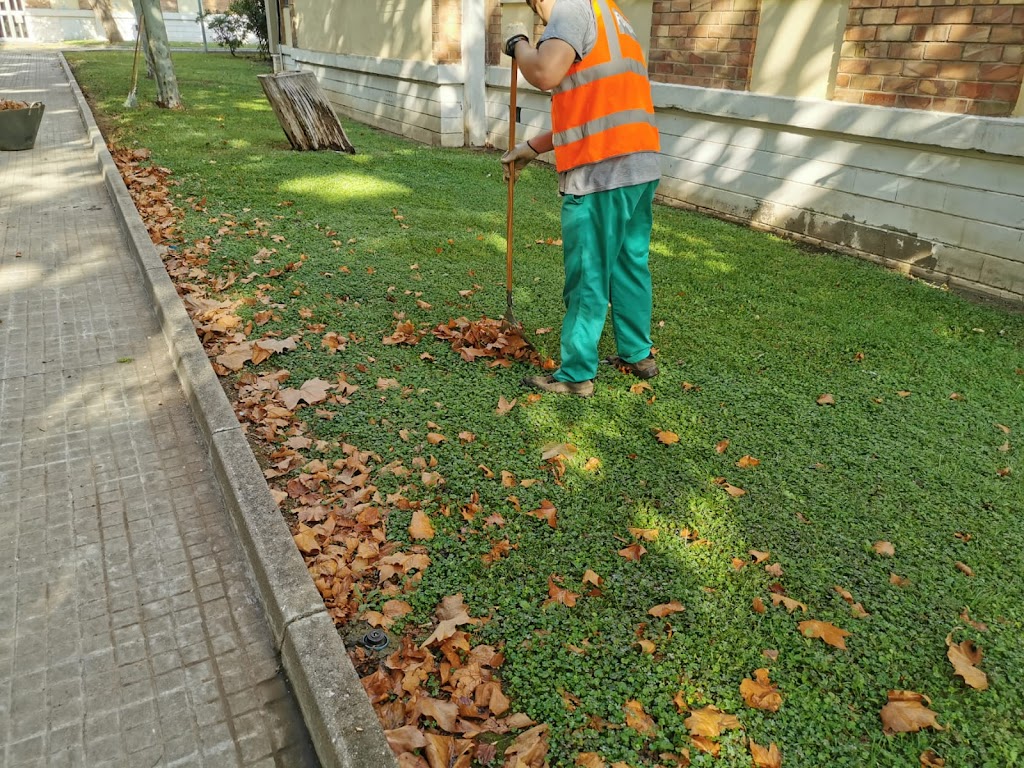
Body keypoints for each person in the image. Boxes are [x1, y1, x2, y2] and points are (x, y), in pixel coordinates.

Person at [502, 0, 661, 398]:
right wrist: (534, 147)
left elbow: (544, 72)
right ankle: (637, 354)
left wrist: (519, 44)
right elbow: (596, 108)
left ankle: (576, 375)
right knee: (628, 263)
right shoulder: (613, 17)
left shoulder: (571, 8)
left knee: (589, 272)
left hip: (601, 171)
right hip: (639, 164)